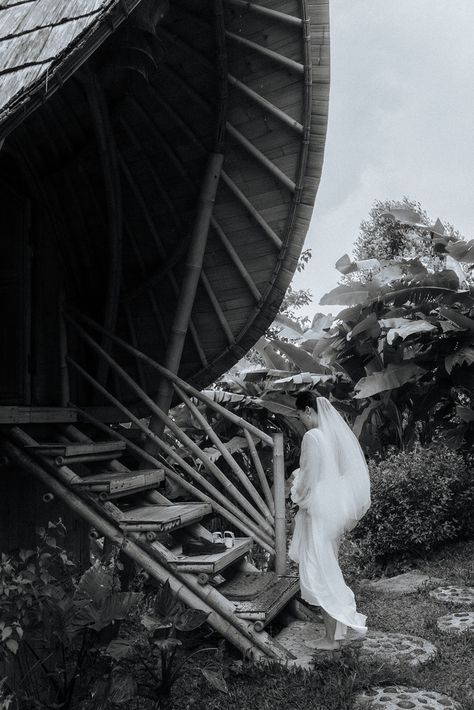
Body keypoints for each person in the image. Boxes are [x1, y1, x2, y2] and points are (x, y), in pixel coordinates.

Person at [289, 392, 371, 650]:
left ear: (308, 411)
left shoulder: (312, 437)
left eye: (300, 414)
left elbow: (309, 478)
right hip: (330, 510)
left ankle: (331, 637)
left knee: (319, 570)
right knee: (327, 567)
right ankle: (338, 630)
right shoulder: (329, 437)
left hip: (316, 511)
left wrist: (295, 492)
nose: (301, 420)